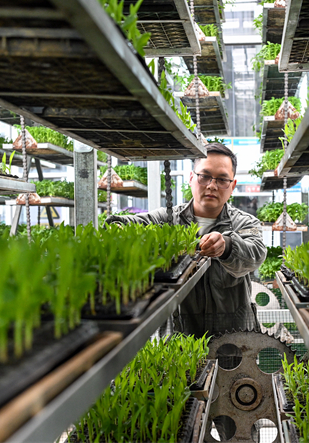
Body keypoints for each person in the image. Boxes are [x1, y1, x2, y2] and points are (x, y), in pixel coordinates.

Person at [106, 143, 267, 337]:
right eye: (204, 176)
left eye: (222, 179)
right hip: (180, 335)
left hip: (234, 339)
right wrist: (117, 228)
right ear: (191, 178)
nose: (212, 185)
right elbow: (128, 223)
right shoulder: (167, 218)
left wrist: (227, 246)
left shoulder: (244, 222)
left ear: (232, 186)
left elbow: (256, 253)